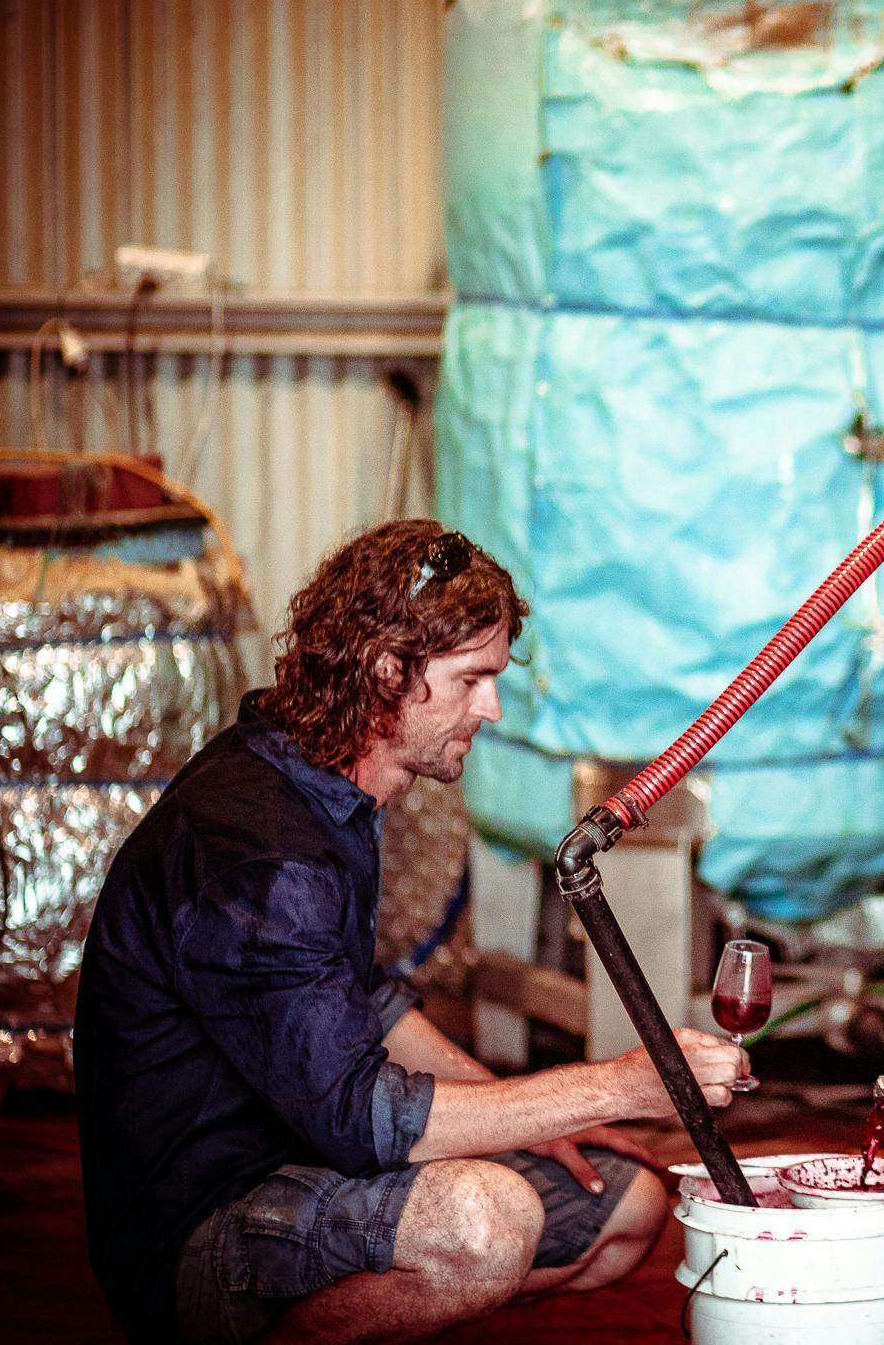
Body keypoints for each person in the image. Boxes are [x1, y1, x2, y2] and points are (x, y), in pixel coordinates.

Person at [75, 520, 746, 1345]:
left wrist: (544, 1119)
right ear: (390, 670)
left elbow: (368, 1004)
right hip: (205, 1224)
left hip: (302, 1166)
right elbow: (359, 1117)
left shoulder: (324, 783)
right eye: (471, 679)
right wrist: (617, 1087)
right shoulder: (263, 853)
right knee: (482, 1222)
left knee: (626, 1204)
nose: (491, 707)